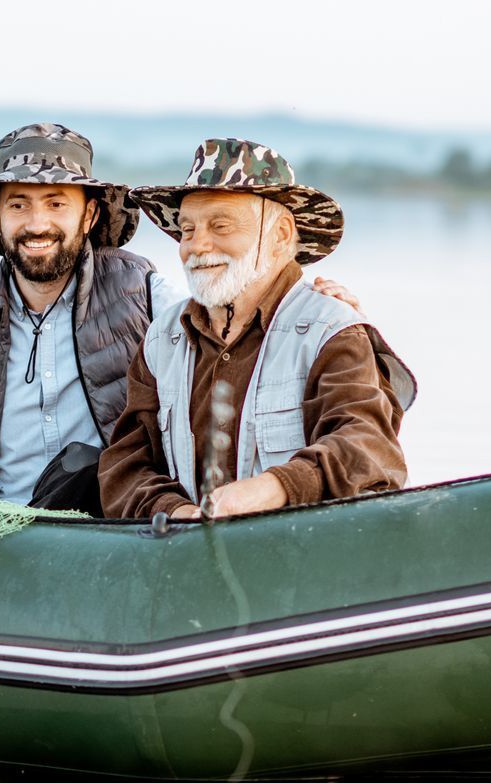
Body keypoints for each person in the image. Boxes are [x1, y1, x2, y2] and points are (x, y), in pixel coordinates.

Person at [0, 124, 359, 515]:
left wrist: (314, 315)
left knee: (86, 463)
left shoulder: (145, 291)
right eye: (19, 205)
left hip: (93, 504)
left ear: (88, 217)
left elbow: (229, 330)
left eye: (57, 203)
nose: (38, 223)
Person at [98, 139, 416, 522]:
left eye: (220, 225)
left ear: (281, 234)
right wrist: (174, 511)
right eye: (186, 230)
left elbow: (368, 449)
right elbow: (125, 465)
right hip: (189, 558)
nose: (197, 246)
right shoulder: (162, 337)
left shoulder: (333, 329)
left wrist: (273, 488)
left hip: (304, 563)